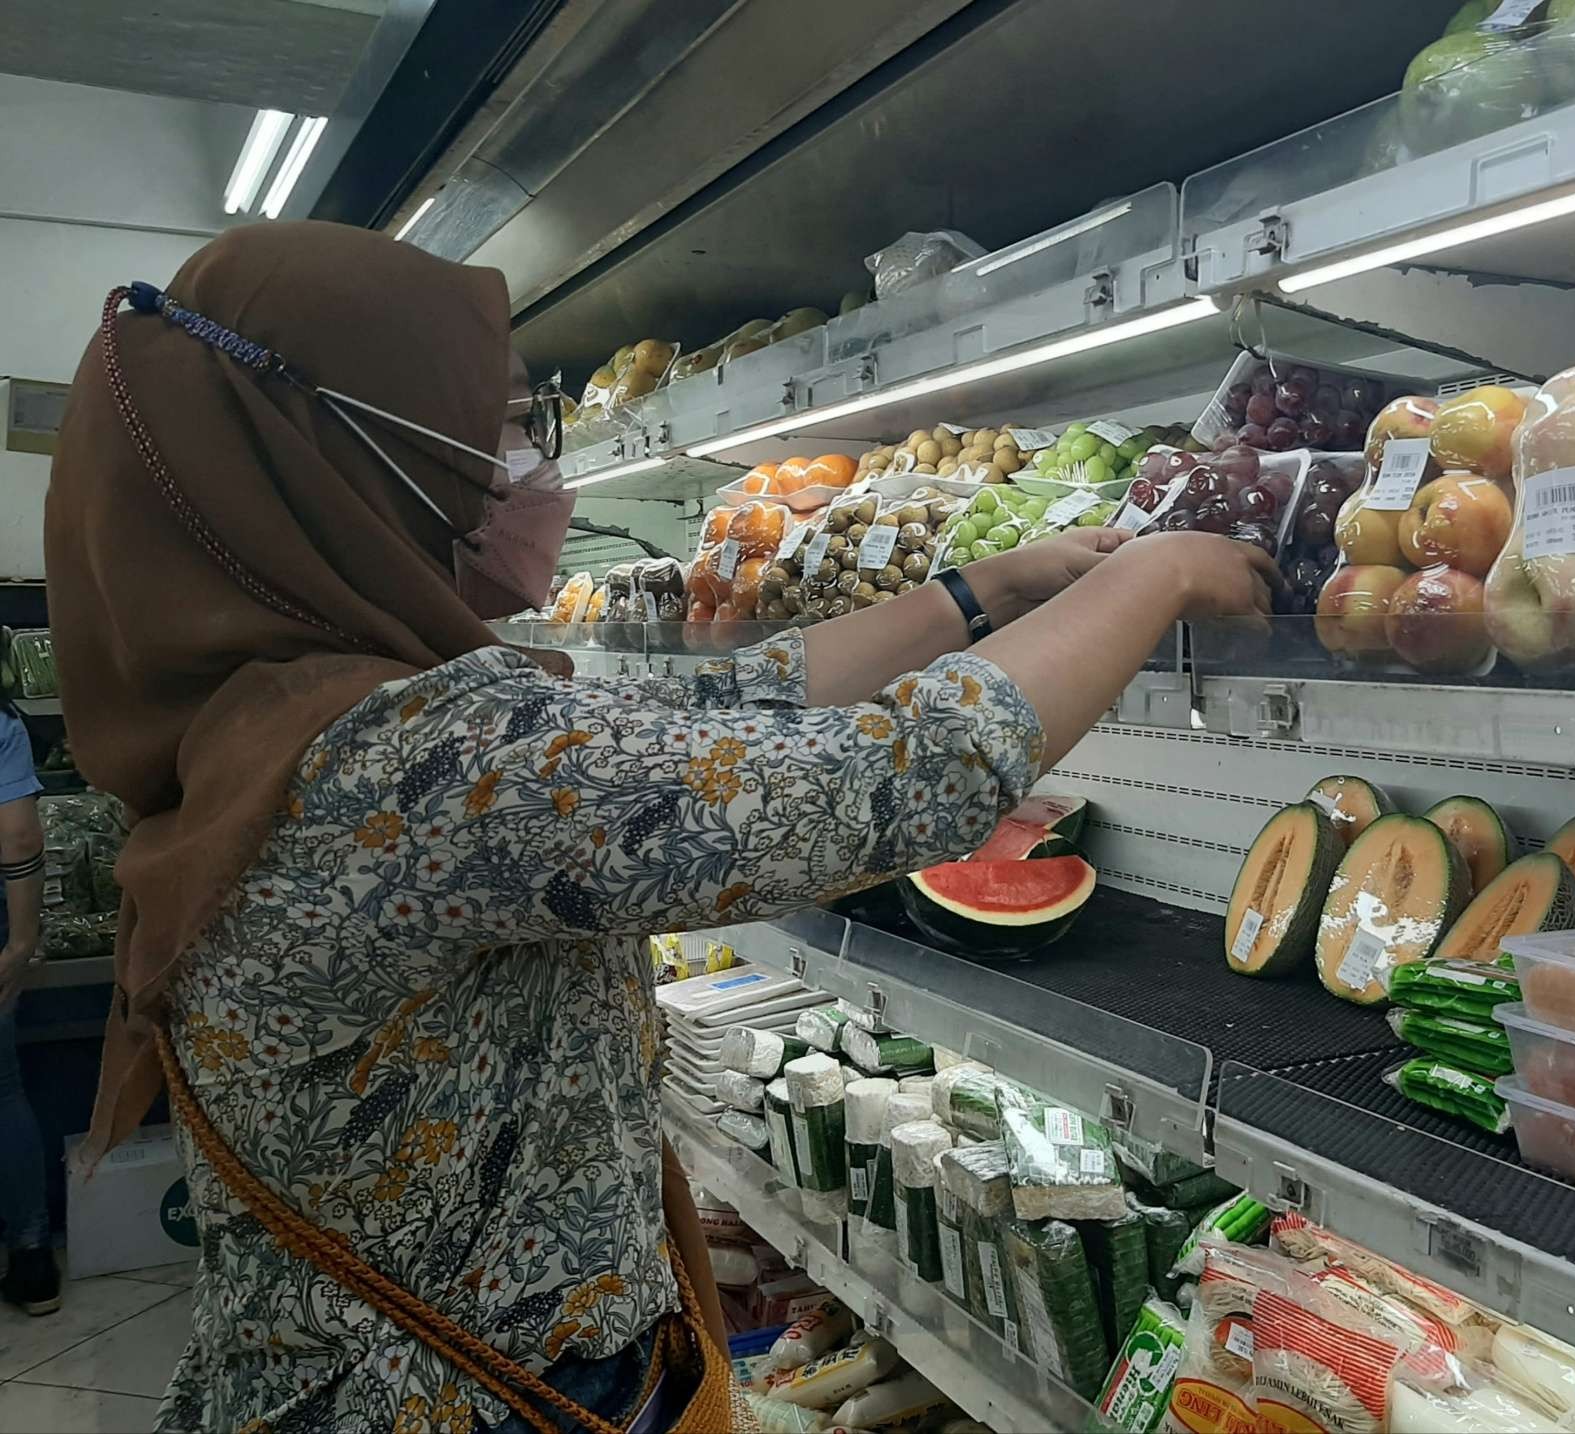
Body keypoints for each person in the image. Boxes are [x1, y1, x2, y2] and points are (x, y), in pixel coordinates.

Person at [44, 222, 1273, 1433]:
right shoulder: (408, 753)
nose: (537, 464)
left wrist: (983, 588)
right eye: (514, 421)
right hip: (467, 1393)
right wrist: (1150, 574)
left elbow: (724, 698)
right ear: (354, 458)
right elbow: (891, 777)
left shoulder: (289, 703)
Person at [0, 703, 56, 1316]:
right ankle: (33, 1255)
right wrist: (20, 942)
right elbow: (17, 834)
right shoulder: (2, 724)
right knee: (2, 1090)